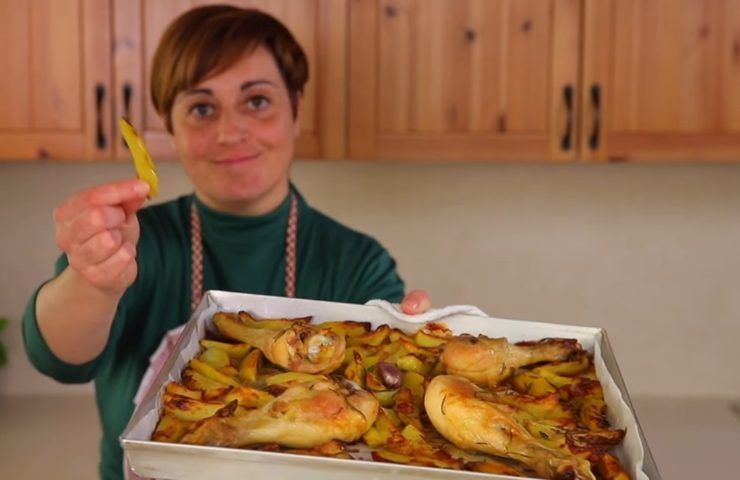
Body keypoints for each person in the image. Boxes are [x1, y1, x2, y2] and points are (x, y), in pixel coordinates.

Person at [22, 6, 430, 480]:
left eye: (256, 101)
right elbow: (58, 359)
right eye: (201, 108)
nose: (230, 131)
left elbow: (387, 403)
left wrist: (414, 355)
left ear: (296, 110)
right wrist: (93, 282)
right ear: (169, 126)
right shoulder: (134, 243)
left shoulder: (356, 261)